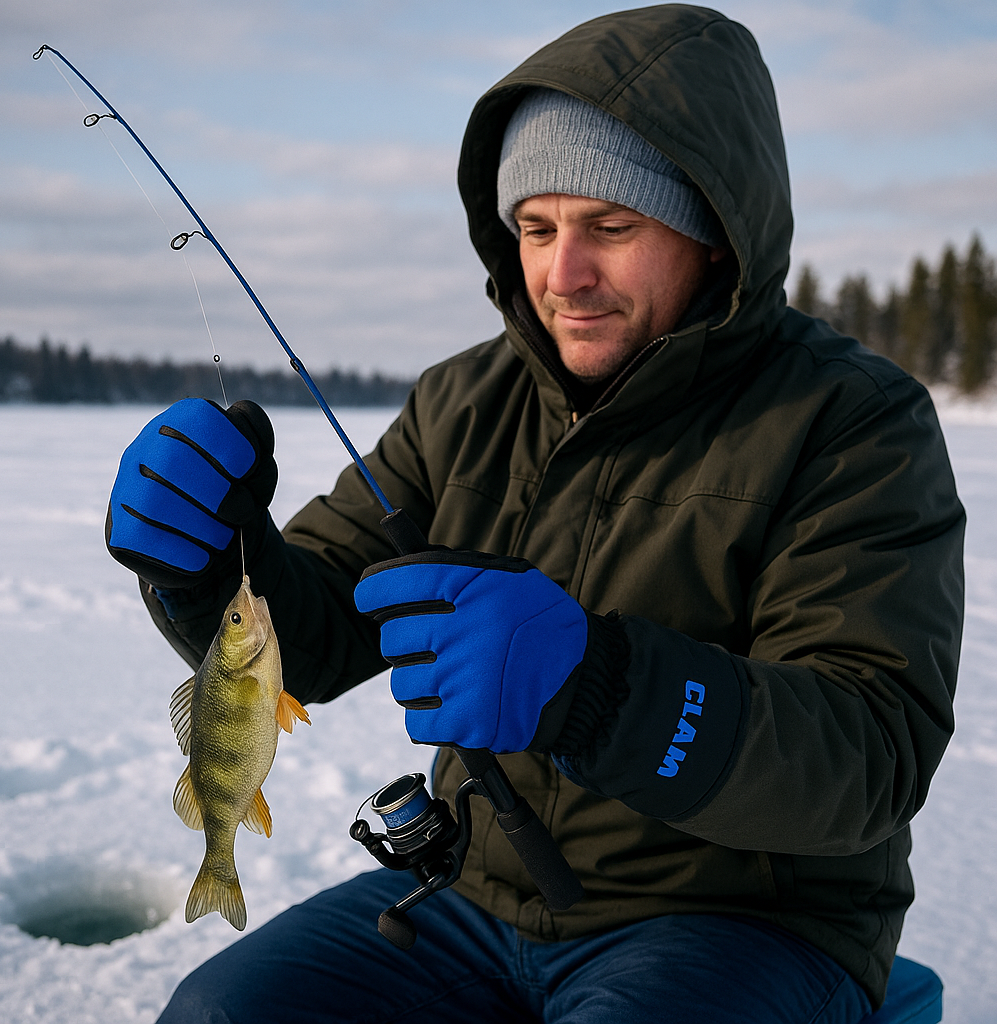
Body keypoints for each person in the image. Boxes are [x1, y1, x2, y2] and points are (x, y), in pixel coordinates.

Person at [106, 6, 964, 1022]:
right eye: (537, 228)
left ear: (714, 232)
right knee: (221, 1013)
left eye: (611, 226)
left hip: (740, 920)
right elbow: (323, 630)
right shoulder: (463, 402)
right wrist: (206, 563)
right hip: (470, 891)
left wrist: (600, 690)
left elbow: (866, 754)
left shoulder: (848, 422)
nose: (563, 275)